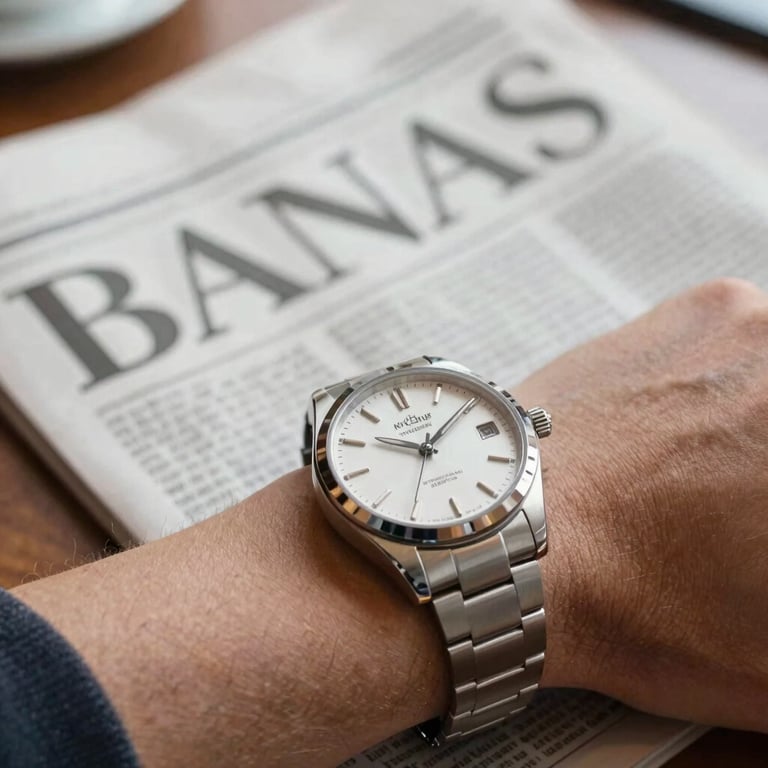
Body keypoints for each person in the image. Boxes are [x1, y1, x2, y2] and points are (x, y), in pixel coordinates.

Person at [3, 278, 768, 768]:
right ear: (324, 463)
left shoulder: (513, 460)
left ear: (522, 424)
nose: (431, 443)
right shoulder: (364, 498)